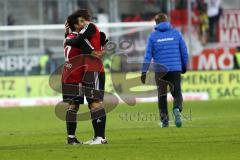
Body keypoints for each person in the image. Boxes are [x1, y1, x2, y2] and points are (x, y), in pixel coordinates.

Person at [64, 9, 108, 145]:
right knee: (92, 104)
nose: (84, 23)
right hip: (83, 73)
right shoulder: (80, 38)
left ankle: (95, 138)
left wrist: (66, 36)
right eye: (81, 21)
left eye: (84, 20)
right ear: (76, 25)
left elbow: (87, 47)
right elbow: (90, 49)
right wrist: (99, 51)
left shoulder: (71, 37)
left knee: (83, 104)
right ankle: (98, 137)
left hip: (77, 73)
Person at [141, 13, 188, 128]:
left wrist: (143, 71)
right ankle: (176, 108)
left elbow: (148, 56)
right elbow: (184, 51)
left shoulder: (152, 36)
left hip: (160, 71)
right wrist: (184, 66)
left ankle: (165, 121)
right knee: (177, 93)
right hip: (175, 69)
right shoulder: (176, 33)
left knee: (162, 95)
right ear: (167, 21)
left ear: (156, 23)